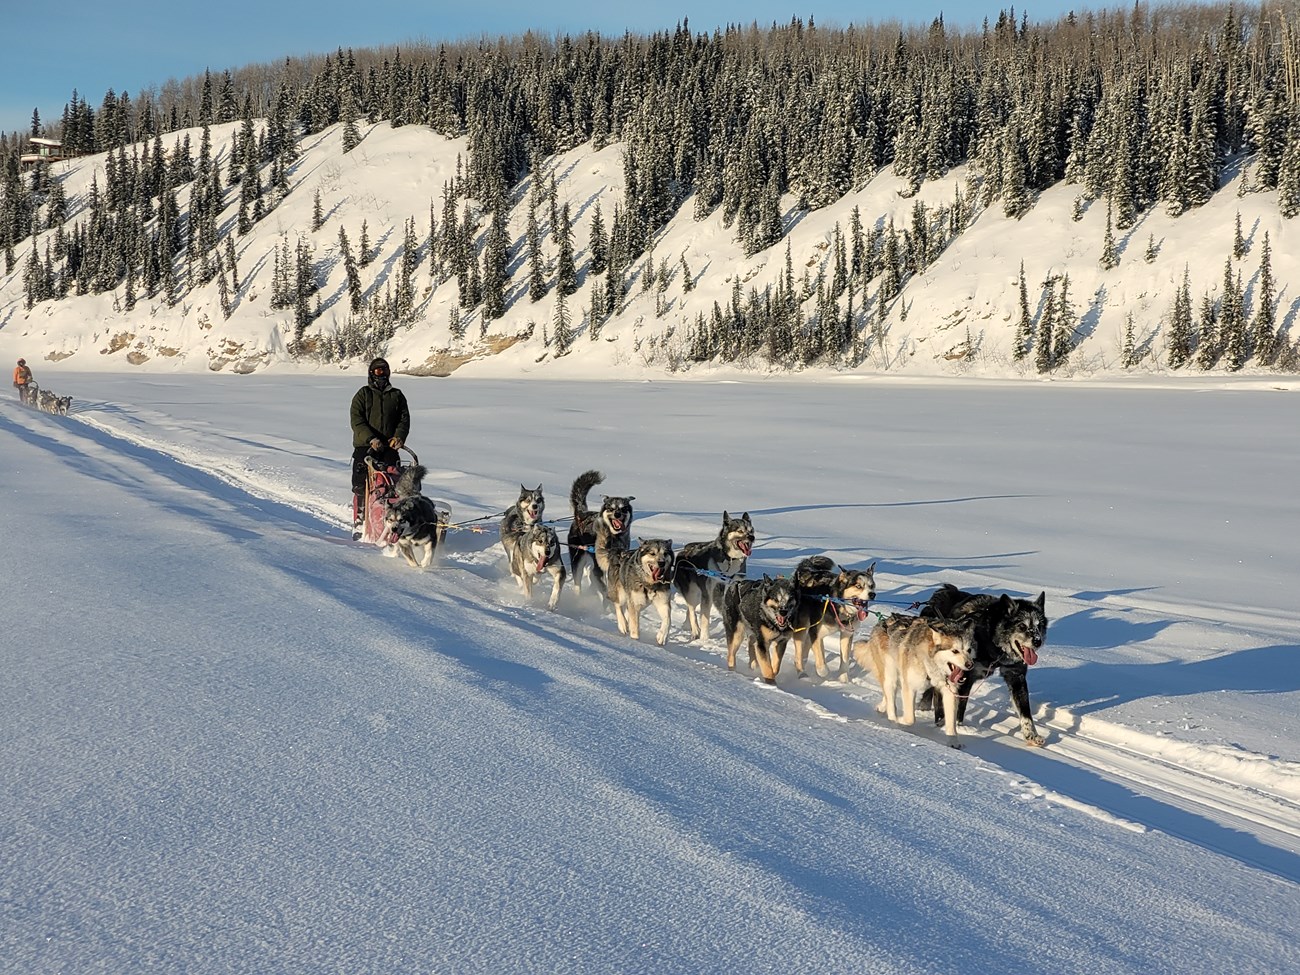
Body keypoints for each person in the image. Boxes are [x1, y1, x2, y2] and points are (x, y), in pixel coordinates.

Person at [349, 357, 410, 538]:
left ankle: (394, 518)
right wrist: (370, 438)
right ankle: (360, 520)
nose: (381, 374)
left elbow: (404, 419)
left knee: (393, 483)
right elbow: (356, 420)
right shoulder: (363, 394)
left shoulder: (397, 395)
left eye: (384, 370)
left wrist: (399, 437)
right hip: (365, 446)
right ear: (371, 373)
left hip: (389, 447)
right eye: (378, 371)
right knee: (361, 484)